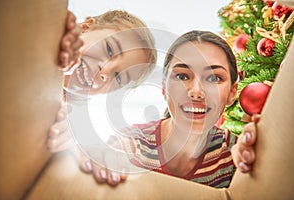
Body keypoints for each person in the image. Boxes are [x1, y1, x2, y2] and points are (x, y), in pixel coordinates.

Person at [50, 30, 258, 188]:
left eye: (214, 78)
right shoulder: (130, 143)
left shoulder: (234, 154)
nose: (196, 92)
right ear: (164, 89)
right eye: (182, 76)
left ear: (232, 93)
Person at [48, 10, 157, 151]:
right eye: (110, 50)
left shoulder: (63, 116)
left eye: (118, 77)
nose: (105, 71)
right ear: (85, 28)